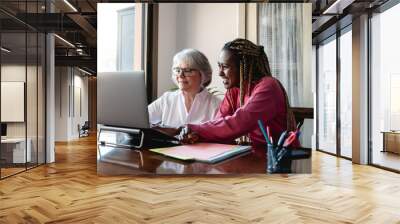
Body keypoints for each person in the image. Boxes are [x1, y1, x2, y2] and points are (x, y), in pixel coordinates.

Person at [180, 38, 297, 146]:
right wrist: (195, 135)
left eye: (225, 67)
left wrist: (195, 129)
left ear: (243, 68)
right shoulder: (234, 91)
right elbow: (219, 124)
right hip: (255, 155)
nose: (220, 73)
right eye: (219, 66)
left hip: (279, 157)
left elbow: (240, 122)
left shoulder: (269, 87)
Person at [148, 49, 221, 134]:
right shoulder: (167, 99)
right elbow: (141, 120)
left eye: (188, 70)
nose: (180, 75)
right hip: (168, 147)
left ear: (202, 74)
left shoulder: (216, 105)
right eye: (177, 70)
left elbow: (218, 137)